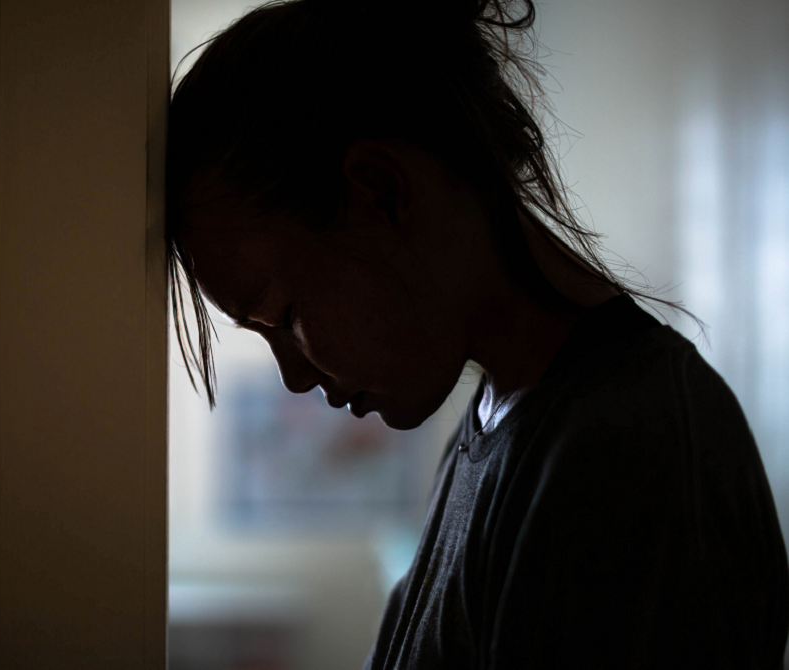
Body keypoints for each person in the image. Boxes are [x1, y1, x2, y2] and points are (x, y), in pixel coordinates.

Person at [165, 0, 789, 667]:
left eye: (286, 316)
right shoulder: (500, 426)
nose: (294, 377)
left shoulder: (631, 456)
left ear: (381, 193)